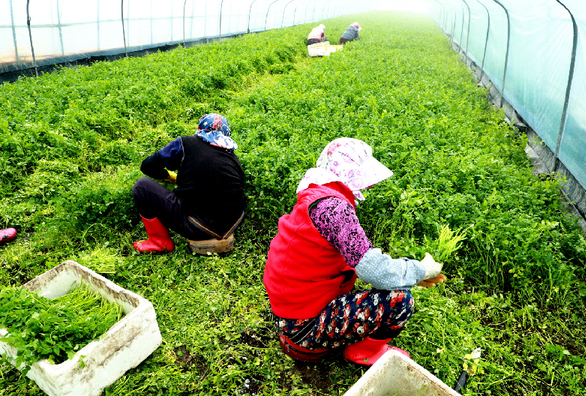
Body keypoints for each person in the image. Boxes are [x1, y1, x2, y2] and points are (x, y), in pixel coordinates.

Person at [263, 138, 447, 366]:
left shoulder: (317, 198)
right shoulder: (334, 208)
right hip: (304, 331)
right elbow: (374, 270)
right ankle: (362, 353)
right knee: (399, 301)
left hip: (292, 315)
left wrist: (407, 275)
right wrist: (421, 270)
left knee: (389, 283)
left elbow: (351, 259)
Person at [132, 113, 245, 253]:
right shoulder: (232, 157)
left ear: (199, 129)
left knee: (142, 187)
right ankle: (221, 236)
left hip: (197, 226)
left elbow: (148, 166)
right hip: (232, 224)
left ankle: (159, 242)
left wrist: (170, 177)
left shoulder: (185, 143)